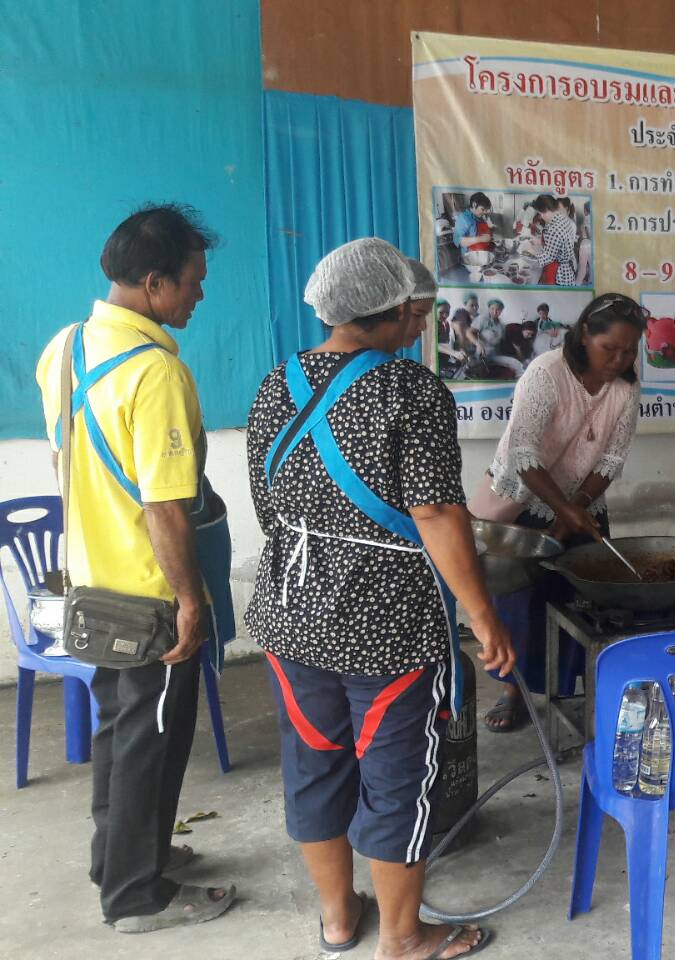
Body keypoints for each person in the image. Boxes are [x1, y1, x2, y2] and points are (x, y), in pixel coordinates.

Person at [245, 239, 514, 960]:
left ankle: (339, 919)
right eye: (418, 314)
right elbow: (438, 514)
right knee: (396, 779)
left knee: (314, 763)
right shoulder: (410, 389)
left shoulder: (277, 384)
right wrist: (483, 615)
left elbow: (269, 506)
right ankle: (403, 936)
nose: (422, 328)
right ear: (389, 311)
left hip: (288, 614)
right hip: (387, 625)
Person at [35, 203, 236, 933]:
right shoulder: (156, 374)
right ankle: (134, 896)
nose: (199, 294)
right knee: (152, 740)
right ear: (155, 283)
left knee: (120, 734)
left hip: (90, 583)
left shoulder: (64, 348)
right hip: (150, 595)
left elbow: (65, 461)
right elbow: (165, 507)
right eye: (193, 280)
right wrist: (190, 600)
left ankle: (120, 858)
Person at [471, 293, 643, 732]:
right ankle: (514, 689)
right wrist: (561, 511)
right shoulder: (546, 373)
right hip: (523, 497)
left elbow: (612, 459)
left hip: (582, 500)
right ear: (585, 334)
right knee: (520, 601)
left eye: (629, 351)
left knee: (580, 598)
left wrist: (573, 512)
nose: (619, 360)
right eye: (610, 349)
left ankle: (571, 687)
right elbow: (524, 453)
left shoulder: (626, 387)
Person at [534, 194, 579, 286]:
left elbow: (547, 258)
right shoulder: (563, 219)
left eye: (541, 213)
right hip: (567, 272)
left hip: (559, 276)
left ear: (546, 209)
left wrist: (531, 251)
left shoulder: (554, 228)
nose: (541, 216)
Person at [454, 192, 493, 258]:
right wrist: (481, 239)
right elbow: (460, 241)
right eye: (482, 209)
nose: (484, 212)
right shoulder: (463, 218)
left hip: (483, 254)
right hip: (471, 257)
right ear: (474, 204)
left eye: (485, 210)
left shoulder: (480, 217)